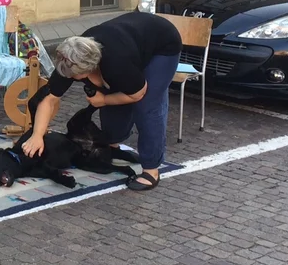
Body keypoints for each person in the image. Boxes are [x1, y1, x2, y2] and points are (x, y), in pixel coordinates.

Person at [22, 12, 182, 191]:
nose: (72, 78)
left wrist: (104, 100)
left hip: (161, 46)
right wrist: (37, 135)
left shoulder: (116, 63)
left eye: (76, 76)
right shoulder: (69, 58)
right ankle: (114, 143)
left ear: (90, 68)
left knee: (147, 106)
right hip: (130, 39)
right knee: (112, 92)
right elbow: (49, 99)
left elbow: (137, 94)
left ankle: (151, 168)